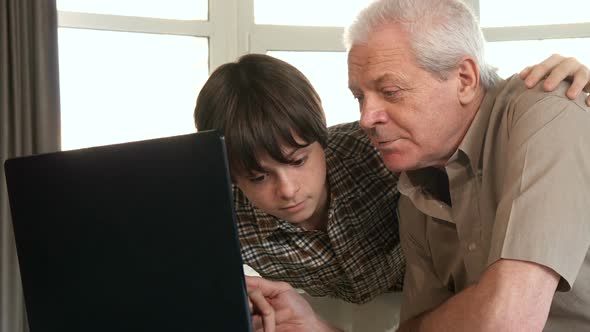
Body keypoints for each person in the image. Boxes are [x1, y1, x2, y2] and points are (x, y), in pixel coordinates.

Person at [245, 0, 590, 331]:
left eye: (391, 91)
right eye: (359, 97)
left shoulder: (547, 113)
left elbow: (507, 320)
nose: (366, 118)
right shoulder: (415, 188)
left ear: (465, 79)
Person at [194, 52, 588, 308]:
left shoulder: (383, 147)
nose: (287, 189)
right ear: (231, 177)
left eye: (298, 161)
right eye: (258, 176)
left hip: (441, 302)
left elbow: (476, 121)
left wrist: (568, 91)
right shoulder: (220, 220)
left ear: (321, 137)